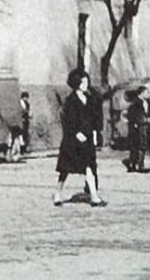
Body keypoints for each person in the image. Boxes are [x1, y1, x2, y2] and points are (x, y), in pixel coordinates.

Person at [54, 68, 105, 207]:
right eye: (83, 82)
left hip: (87, 139)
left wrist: (94, 132)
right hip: (72, 142)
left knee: (89, 166)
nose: (86, 84)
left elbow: (93, 118)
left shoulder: (89, 99)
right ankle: (58, 193)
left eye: (87, 81)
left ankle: (94, 197)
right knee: (65, 170)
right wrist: (76, 133)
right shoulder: (70, 101)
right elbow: (67, 120)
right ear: (76, 83)